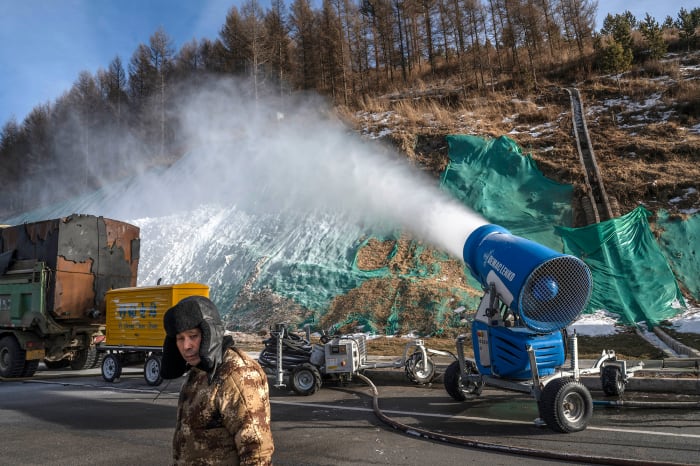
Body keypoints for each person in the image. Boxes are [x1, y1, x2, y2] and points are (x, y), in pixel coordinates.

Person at [161, 295, 274, 465]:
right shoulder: (199, 370)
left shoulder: (236, 374)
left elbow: (256, 450)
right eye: (180, 338)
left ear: (210, 333)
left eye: (193, 336)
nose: (186, 346)